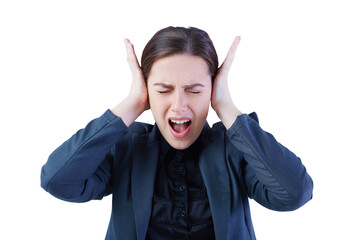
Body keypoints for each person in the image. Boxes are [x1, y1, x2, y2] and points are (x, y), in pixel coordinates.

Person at [41, 26, 313, 240]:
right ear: (146, 91)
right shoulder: (126, 145)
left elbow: (295, 193)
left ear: (212, 90)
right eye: (163, 90)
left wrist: (227, 108)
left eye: (194, 91)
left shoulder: (234, 148)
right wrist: (131, 105)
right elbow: (57, 180)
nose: (179, 105)